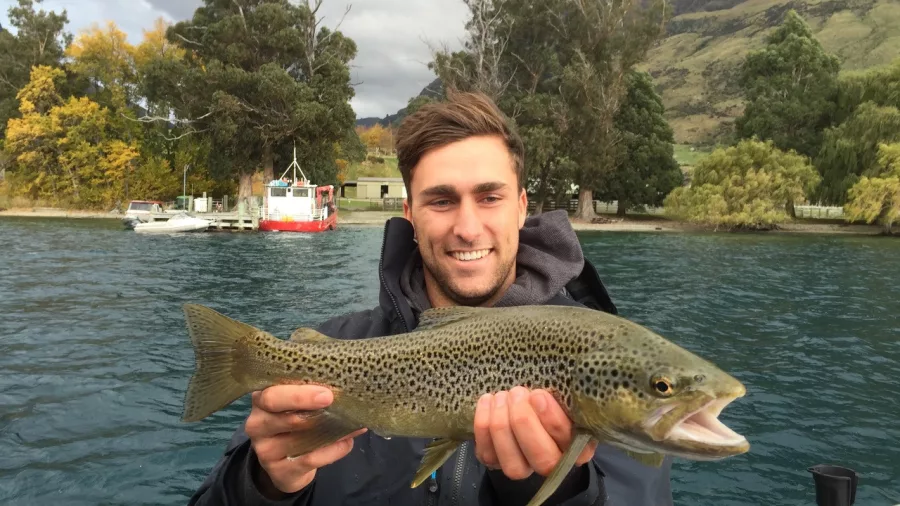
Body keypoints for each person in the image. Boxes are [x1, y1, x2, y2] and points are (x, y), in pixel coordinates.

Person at [187, 91, 674, 506]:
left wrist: (562, 490)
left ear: (523, 207)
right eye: (441, 200)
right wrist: (264, 484)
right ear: (411, 214)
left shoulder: (607, 361)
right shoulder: (331, 347)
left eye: (490, 197)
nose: (466, 227)